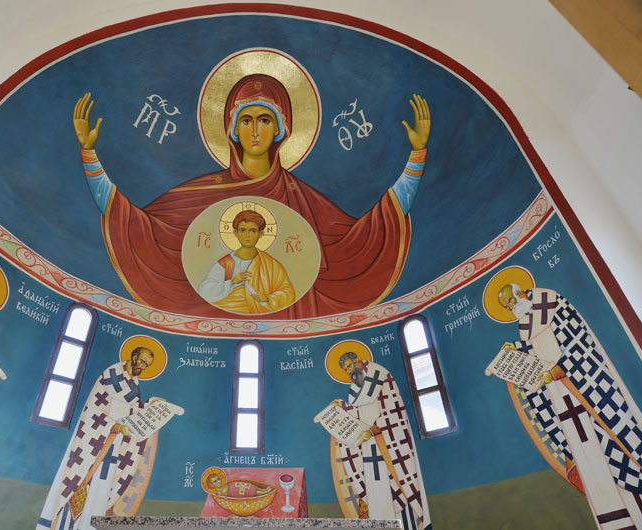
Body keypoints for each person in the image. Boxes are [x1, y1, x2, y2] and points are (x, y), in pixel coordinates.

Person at [73, 73, 431, 319]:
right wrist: (90, 155)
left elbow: (362, 238)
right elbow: (135, 225)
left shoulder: (304, 198)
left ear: (280, 129)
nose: (255, 130)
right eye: (246, 120)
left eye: (265, 120)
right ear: (232, 128)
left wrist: (416, 157)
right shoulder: (199, 193)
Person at [492, 283, 642, 528]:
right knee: (591, 460)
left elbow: (579, 344)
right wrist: (516, 349)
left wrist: (555, 372)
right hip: (563, 402)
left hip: (591, 393)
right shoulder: (526, 321)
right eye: (505, 306)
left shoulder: (552, 303)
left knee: (617, 446)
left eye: (510, 301)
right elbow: (540, 351)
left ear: (521, 293)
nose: (510, 308)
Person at [38, 347, 169, 530]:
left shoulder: (134, 386)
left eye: (147, 365)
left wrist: (151, 406)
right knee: (80, 488)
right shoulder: (111, 376)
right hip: (94, 446)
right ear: (133, 357)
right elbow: (93, 410)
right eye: (142, 361)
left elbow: (134, 415)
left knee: (102, 492)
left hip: (114, 451)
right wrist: (115, 427)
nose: (143, 366)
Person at [328, 352, 431, 528]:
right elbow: (359, 412)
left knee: (400, 483)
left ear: (357, 360)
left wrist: (375, 428)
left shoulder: (378, 374)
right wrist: (342, 408)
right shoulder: (355, 388)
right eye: (346, 370)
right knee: (377, 490)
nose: (349, 371)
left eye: (350, 366)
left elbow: (389, 405)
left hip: (390, 442)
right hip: (370, 448)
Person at [198, 209, 295, 314]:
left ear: (261, 234)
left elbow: (288, 293)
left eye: (253, 231)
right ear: (236, 233)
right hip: (227, 312)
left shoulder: (271, 265)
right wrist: (232, 282)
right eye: (243, 230)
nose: (247, 236)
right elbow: (204, 291)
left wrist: (267, 298)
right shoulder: (226, 263)